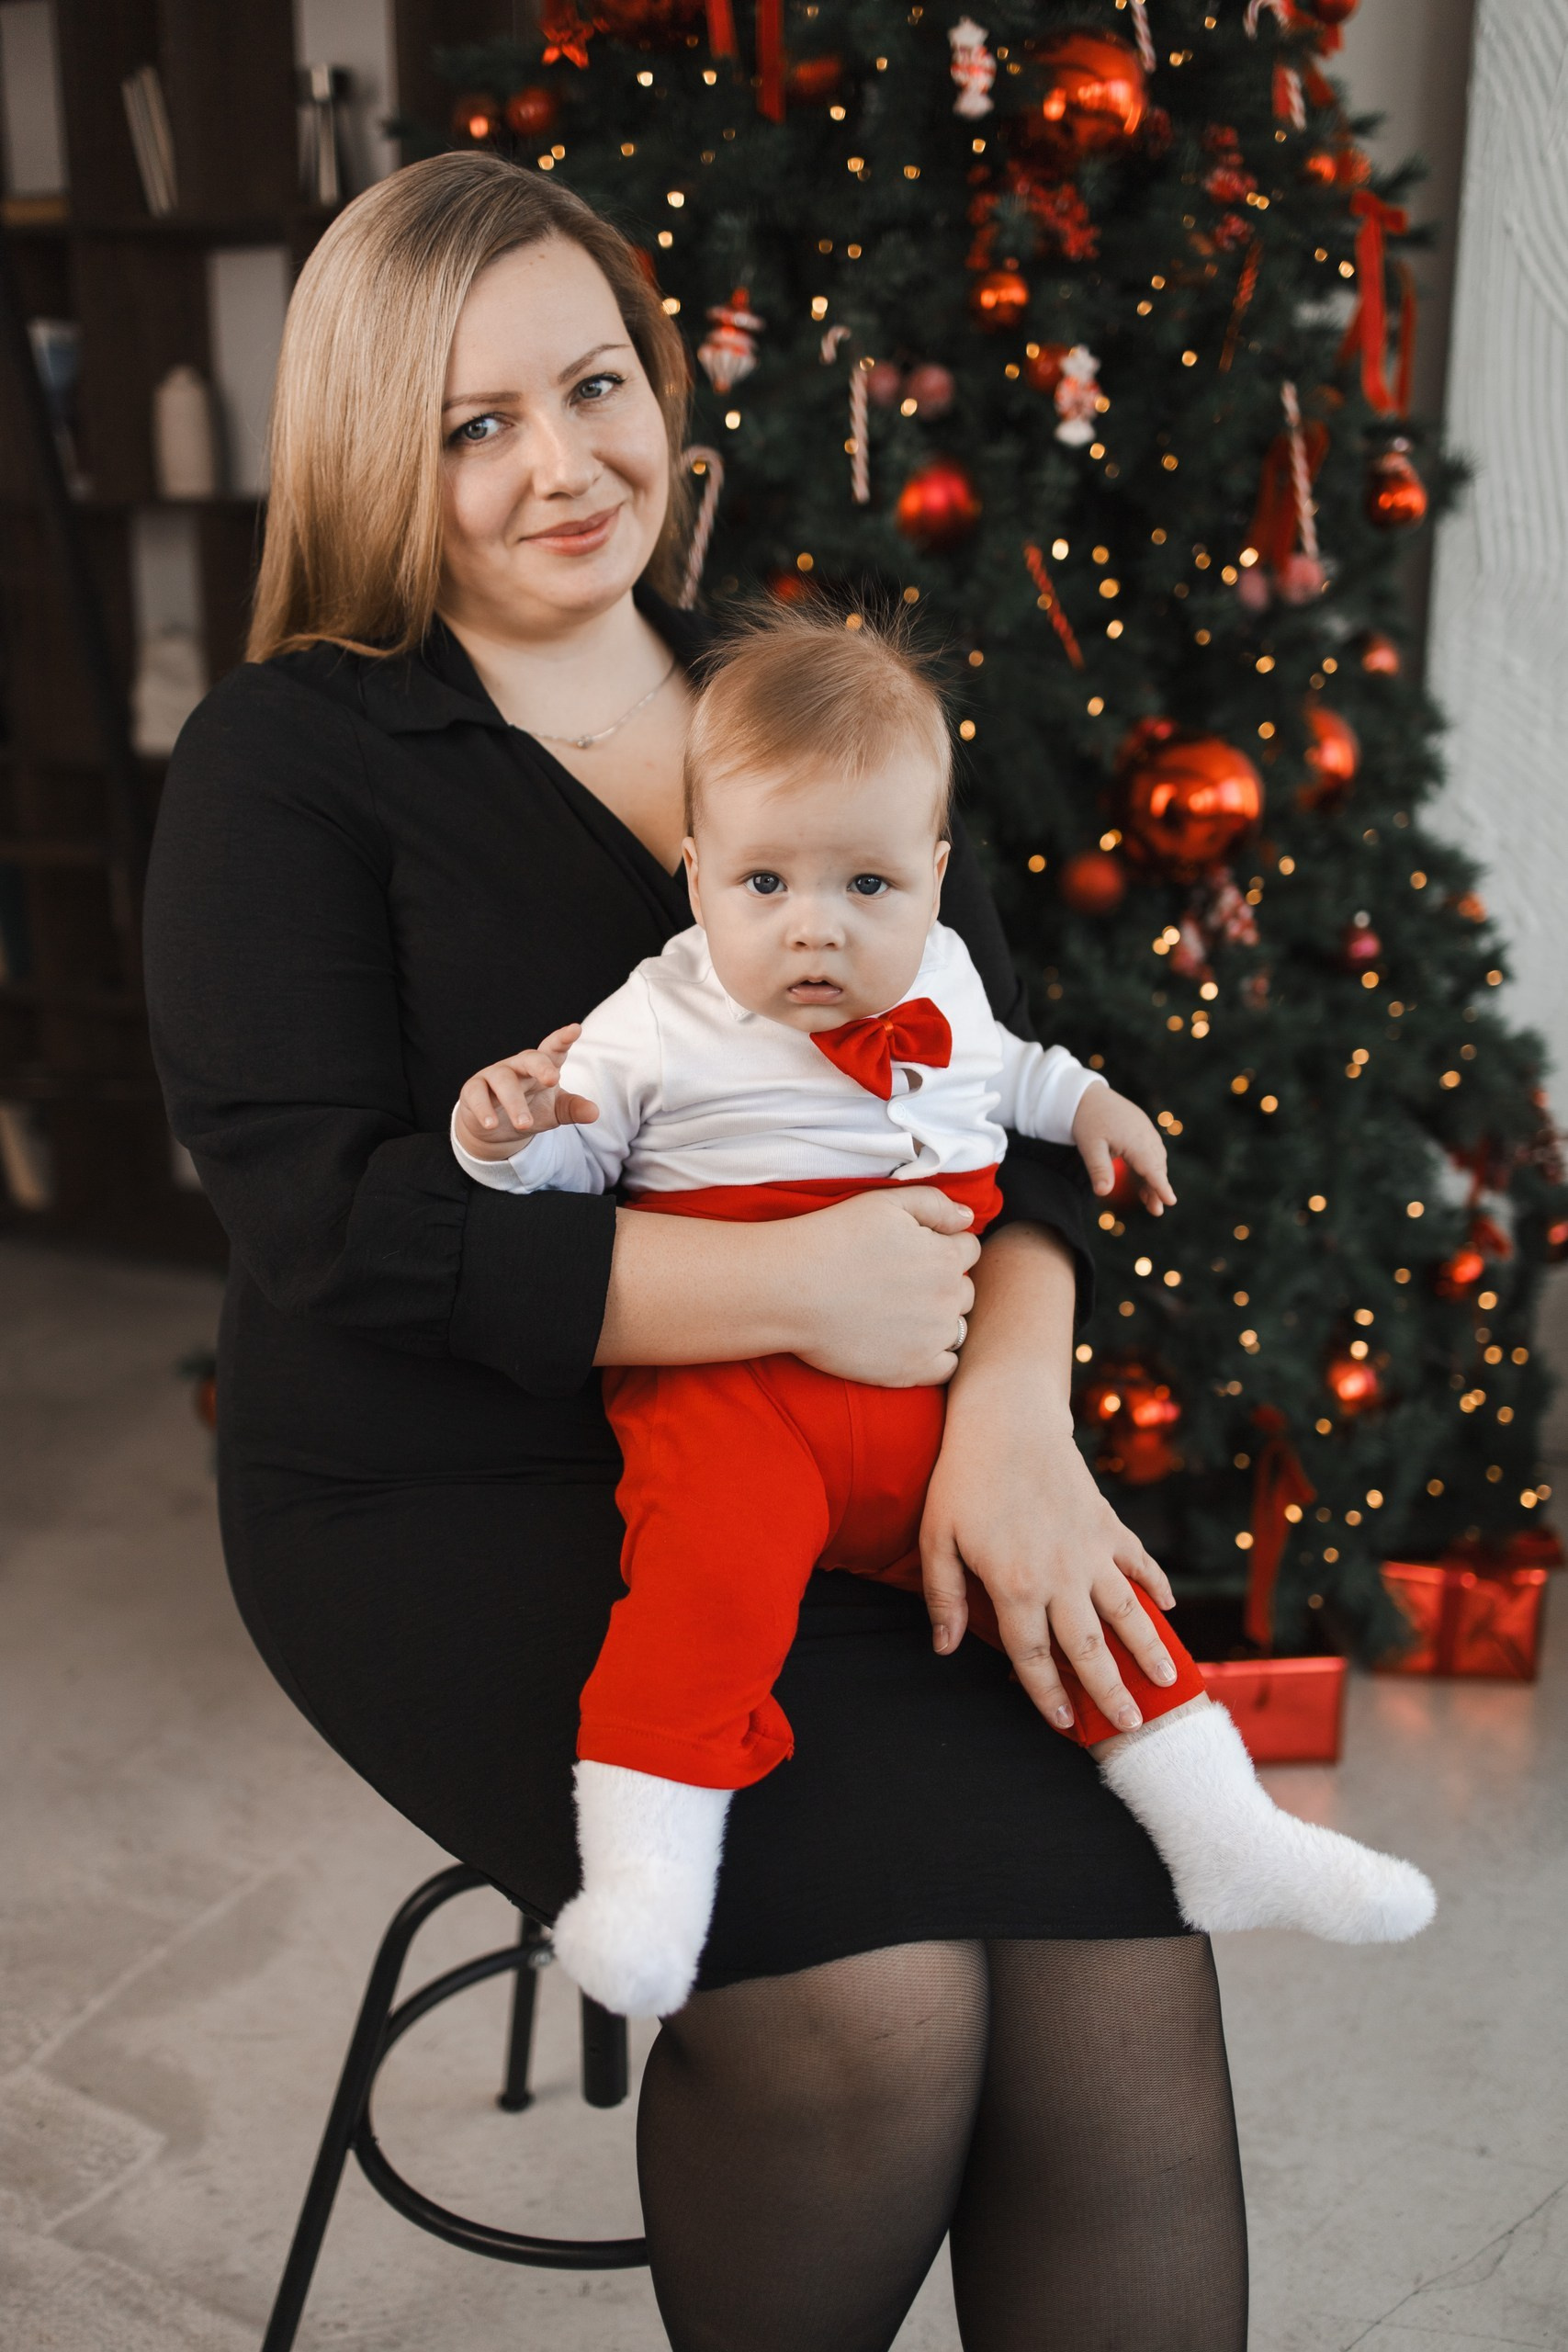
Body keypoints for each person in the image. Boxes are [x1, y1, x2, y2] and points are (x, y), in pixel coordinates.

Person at [144, 151, 1252, 2347]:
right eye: (473, 424)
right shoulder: (288, 754)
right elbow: (322, 1220)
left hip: (858, 1461)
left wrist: (1013, 1422)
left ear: (662, 382)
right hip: (444, 1487)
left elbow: (1002, 1092)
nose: (562, 466)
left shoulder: (797, 685)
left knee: (1122, 1941)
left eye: (594, 386)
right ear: (377, 454)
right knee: (870, 2007)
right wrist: (789, 1287)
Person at [451, 606, 1436, 2018]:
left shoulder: (945, 982)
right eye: (765, 882)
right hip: (736, 1383)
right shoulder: (653, 1020)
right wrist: (510, 1133)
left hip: (934, 1389)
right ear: (698, 878)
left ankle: (1227, 1834)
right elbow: (565, 1174)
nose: (816, 925)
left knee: (1079, 1582)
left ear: (933, 874)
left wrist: (1091, 1106)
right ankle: (647, 1886)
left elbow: (1013, 1071)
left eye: (867, 882)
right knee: (702, 1591)